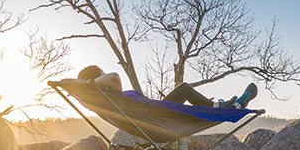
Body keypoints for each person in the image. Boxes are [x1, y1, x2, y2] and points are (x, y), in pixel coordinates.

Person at [76, 65, 258, 109]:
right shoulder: (107, 92)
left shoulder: (105, 98)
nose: (105, 75)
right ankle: (222, 108)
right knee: (184, 89)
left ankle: (224, 106)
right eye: (102, 73)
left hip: (152, 113)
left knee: (185, 89)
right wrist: (90, 82)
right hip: (154, 115)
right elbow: (114, 77)